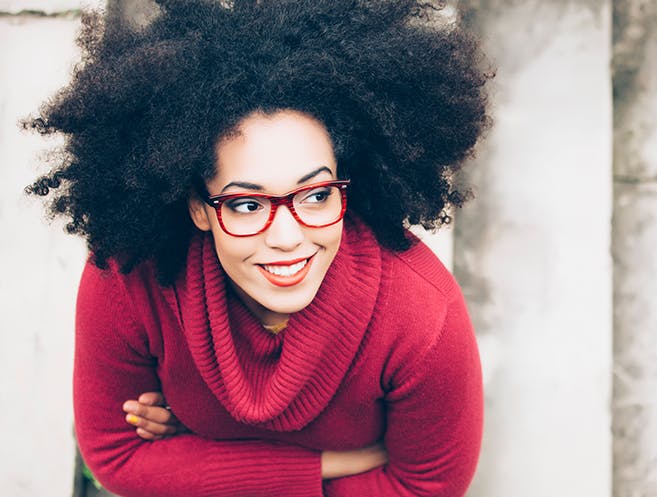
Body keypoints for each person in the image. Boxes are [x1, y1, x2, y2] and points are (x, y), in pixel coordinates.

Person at [26, 1, 490, 495]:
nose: (288, 237)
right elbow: (117, 457)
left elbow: (427, 488)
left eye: (315, 195)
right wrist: (326, 466)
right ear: (200, 208)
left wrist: (198, 457)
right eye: (247, 204)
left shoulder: (420, 316)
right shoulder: (131, 274)